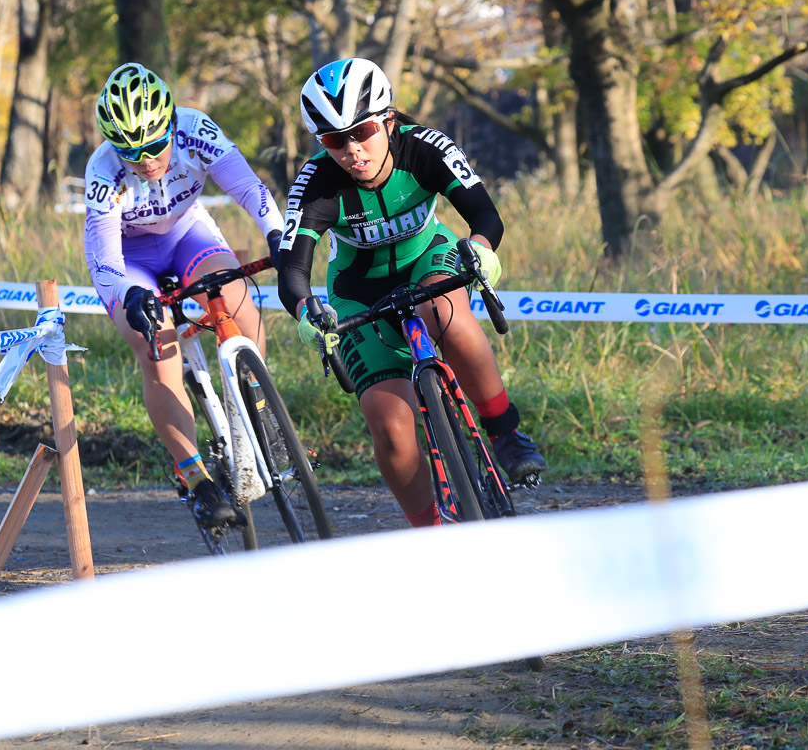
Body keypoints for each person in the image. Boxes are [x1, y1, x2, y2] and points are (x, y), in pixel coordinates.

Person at [276, 57, 546, 529]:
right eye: (334, 140)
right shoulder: (316, 182)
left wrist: (481, 249)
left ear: (389, 121)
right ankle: (428, 532)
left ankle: (504, 431)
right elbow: (292, 269)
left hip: (428, 257)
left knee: (439, 308)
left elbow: (485, 214)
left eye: (360, 132)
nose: (352, 150)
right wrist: (305, 312)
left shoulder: (426, 148)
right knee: (392, 431)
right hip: (357, 291)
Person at [84, 62, 284, 530]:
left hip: (185, 233)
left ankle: (255, 417)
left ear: (170, 125)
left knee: (236, 298)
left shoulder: (197, 131)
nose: (147, 161)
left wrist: (277, 234)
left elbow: (250, 190)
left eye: (155, 146)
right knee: (159, 347)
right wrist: (131, 295)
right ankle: (195, 477)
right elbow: (106, 263)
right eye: (132, 154)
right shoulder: (102, 171)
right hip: (130, 262)